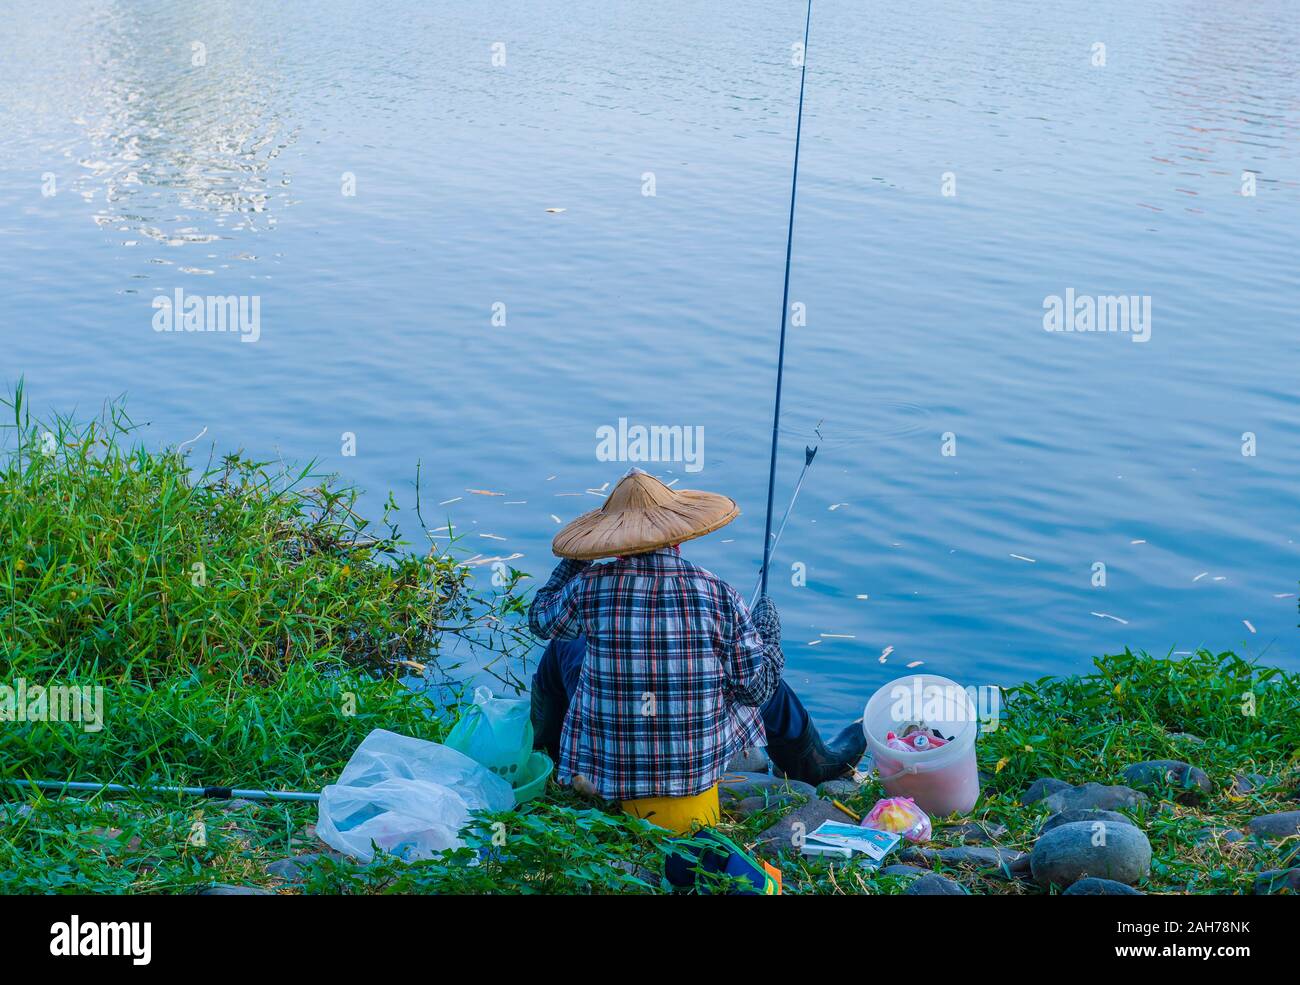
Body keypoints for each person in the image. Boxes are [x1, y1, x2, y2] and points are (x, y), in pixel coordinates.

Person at [528, 468, 864, 832]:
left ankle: (548, 754)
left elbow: (540, 619)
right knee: (765, 678)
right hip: (694, 772)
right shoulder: (717, 592)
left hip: (612, 766)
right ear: (677, 539)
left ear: (613, 544)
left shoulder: (587, 588)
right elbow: (756, 689)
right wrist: (767, 633)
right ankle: (816, 766)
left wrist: (578, 559)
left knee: (562, 645)